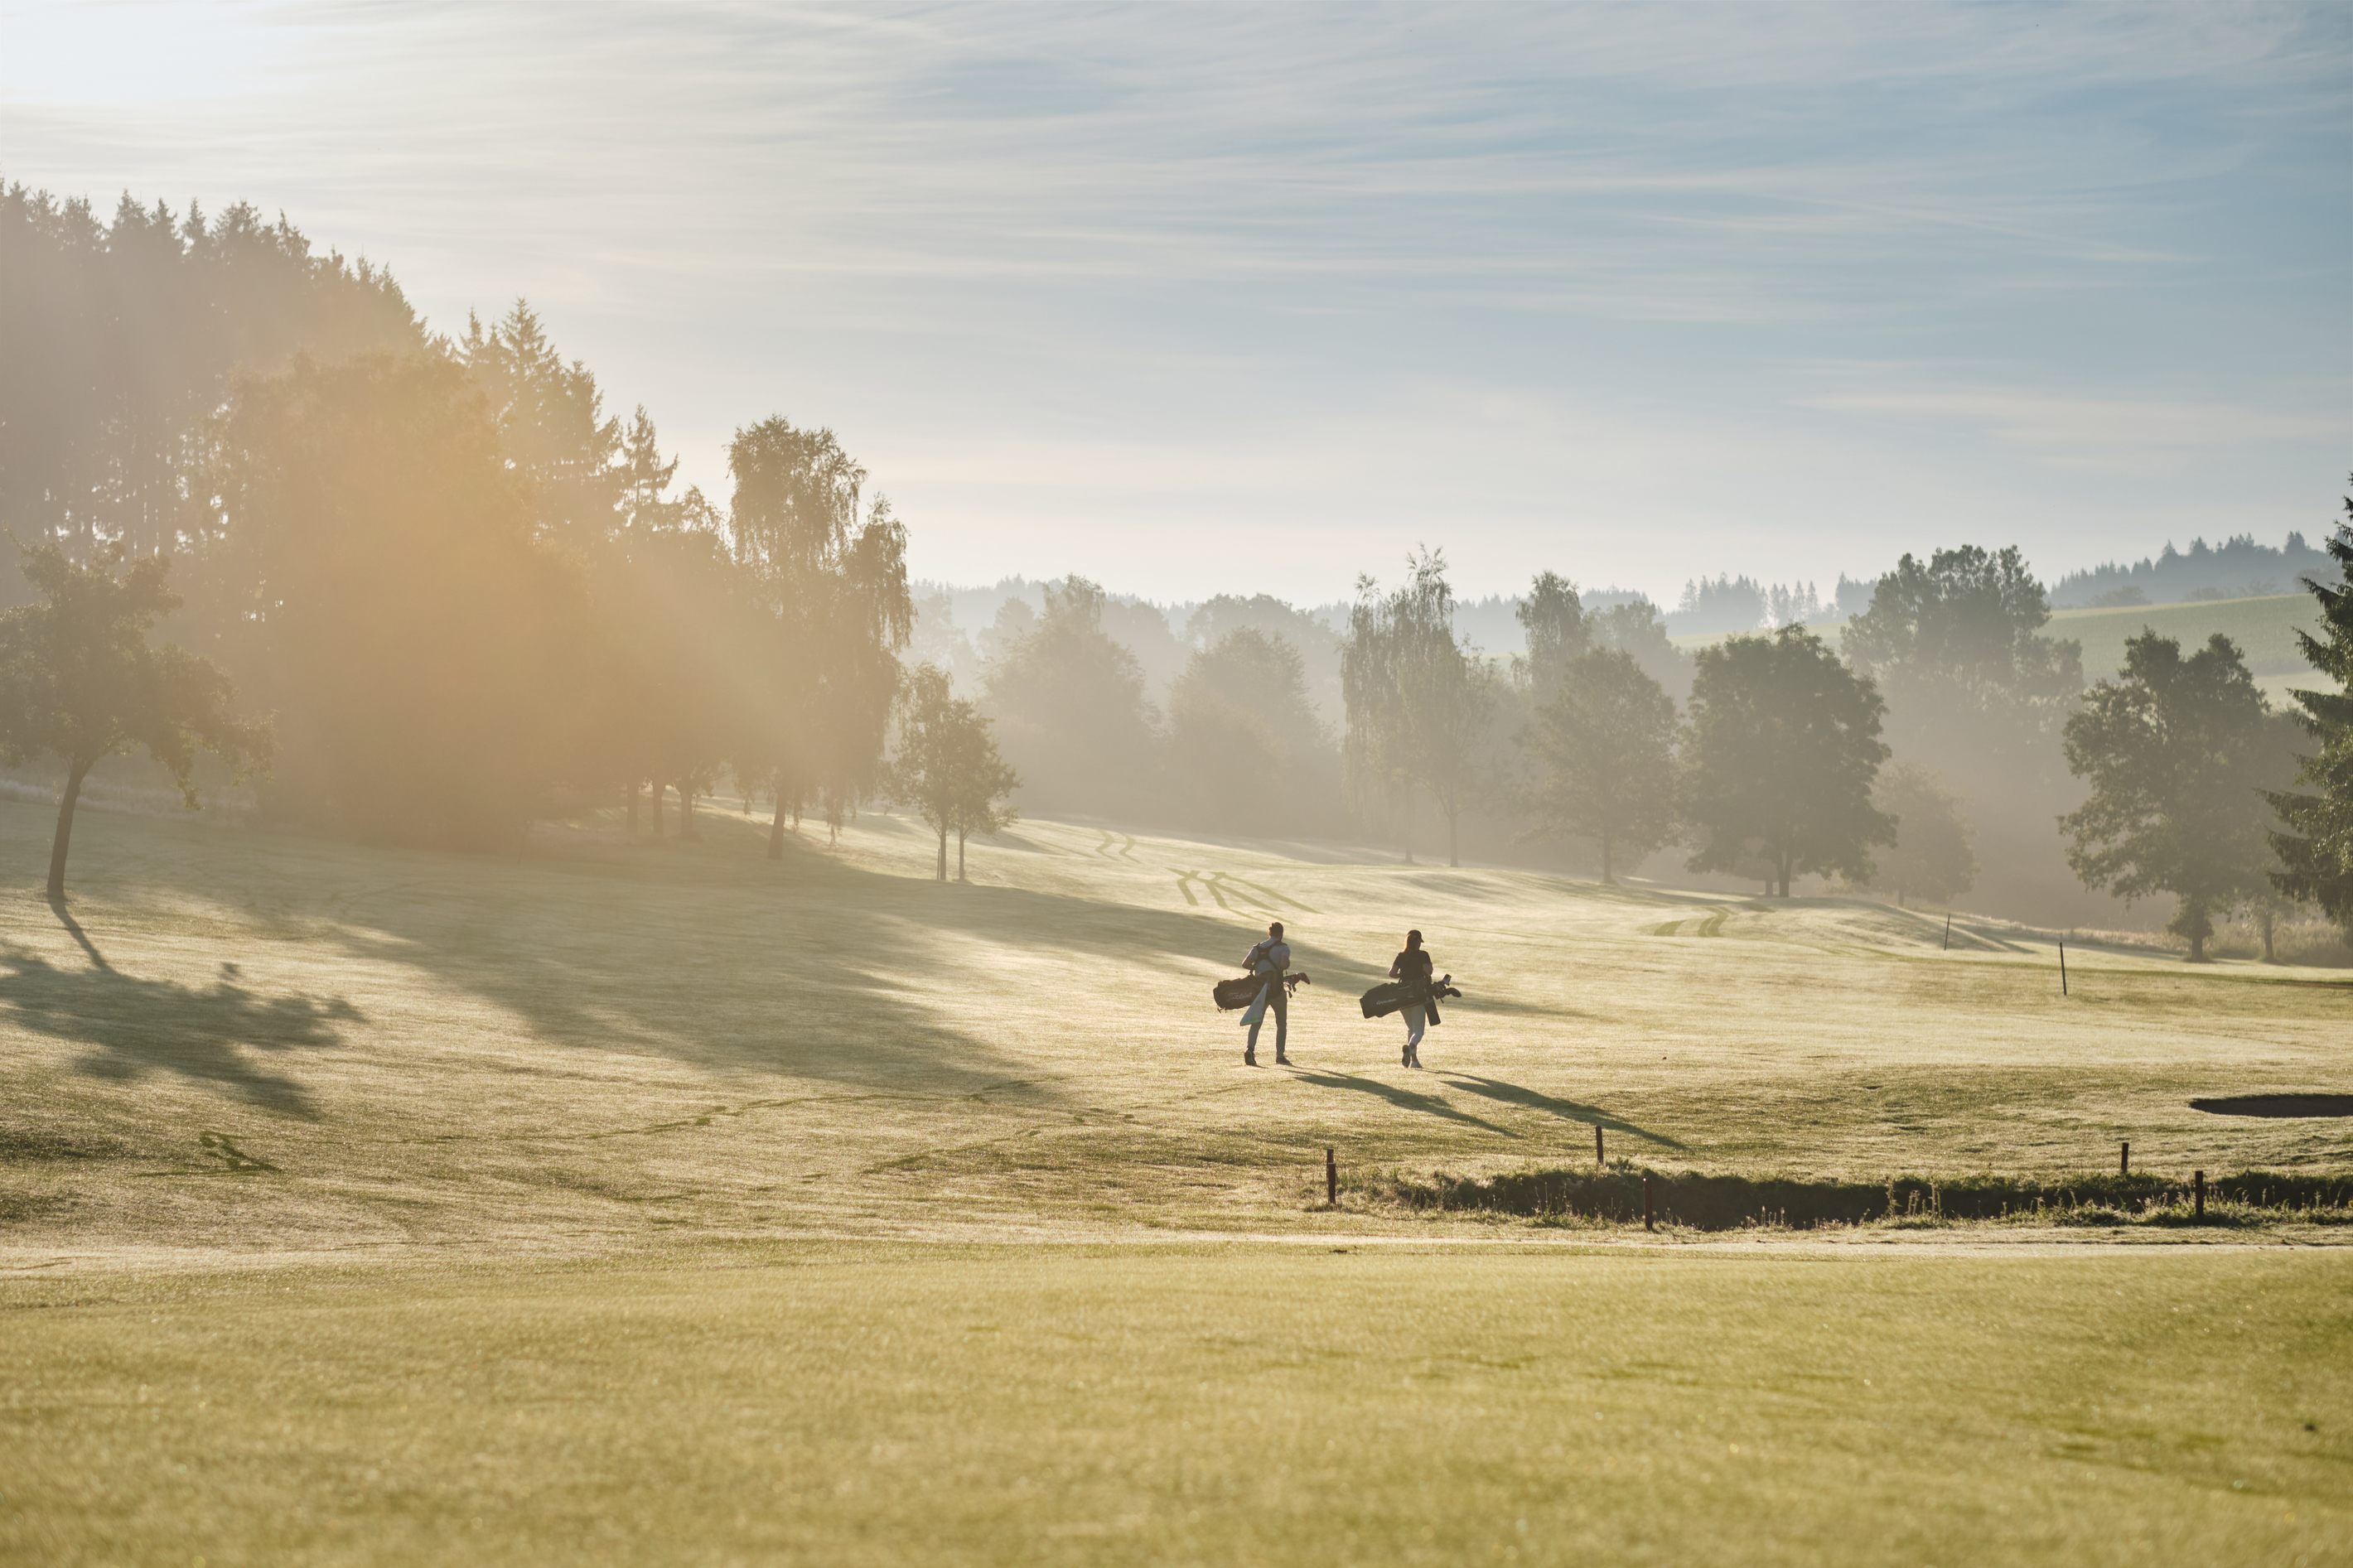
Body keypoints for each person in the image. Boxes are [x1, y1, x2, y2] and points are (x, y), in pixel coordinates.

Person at [1239, 920, 1292, 1067]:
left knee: (1256, 1022)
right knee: (1281, 1023)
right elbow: (1283, 965)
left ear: (1269, 933)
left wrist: (1258, 966)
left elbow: (1245, 964)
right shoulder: (1283, 948)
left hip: (1260, 991)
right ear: (1281, 934)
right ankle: (1279, 1056)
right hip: (1276, 991)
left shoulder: (1258, 948)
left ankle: (1250, 1049)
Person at [1390, 929, 1434, 1069]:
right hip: (1417, 994)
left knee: (1411, 1029)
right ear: (1417, 942)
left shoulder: (1401, 956)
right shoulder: (1423, 955)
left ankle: (1414, 1061)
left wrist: (1402, 976)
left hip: (1402, 995)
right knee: (1419, 1031)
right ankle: (1411, 1047)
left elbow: (1392, 973)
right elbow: (1428, 971)